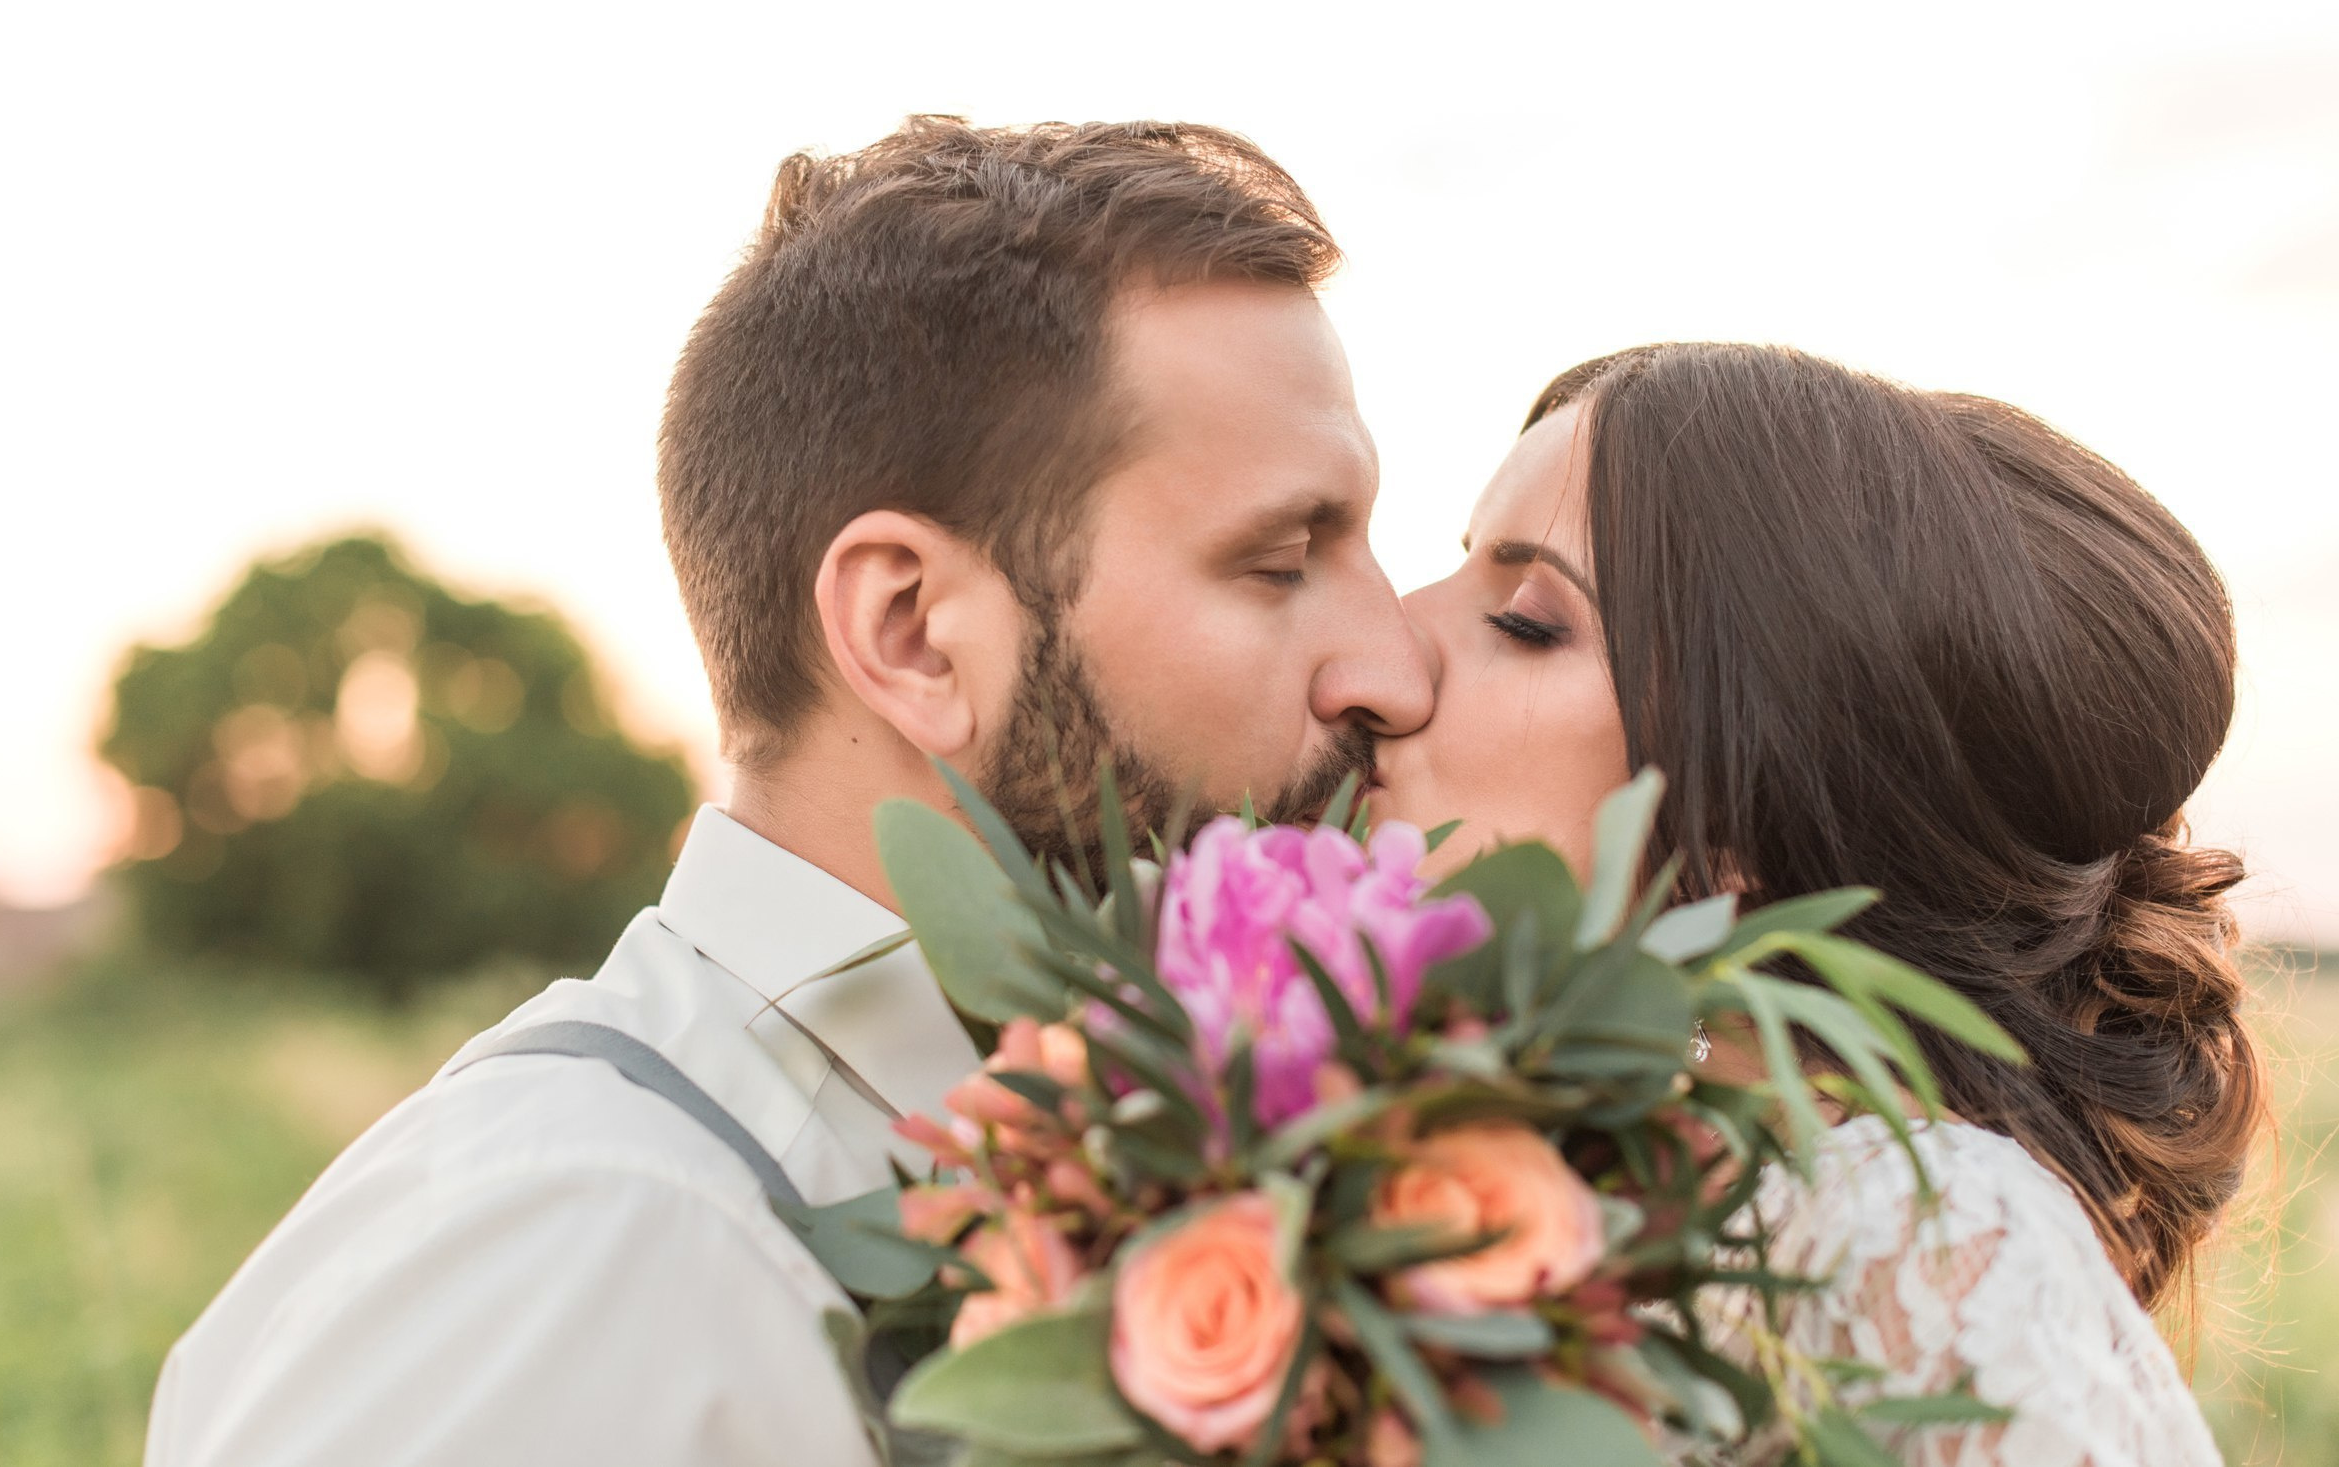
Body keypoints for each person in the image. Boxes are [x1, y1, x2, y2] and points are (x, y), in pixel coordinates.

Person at [143, 118, 1434, 1466]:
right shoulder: (583, 1263)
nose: (1393, 667)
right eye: (1282, 558)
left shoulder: (1033, 1168)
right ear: (913, 632)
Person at [1370, 343, 2264, 1466]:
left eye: (1527, 621)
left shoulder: (1916, 1229)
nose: (1382, 645)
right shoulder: (1552, 1187)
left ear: (1745, 810)